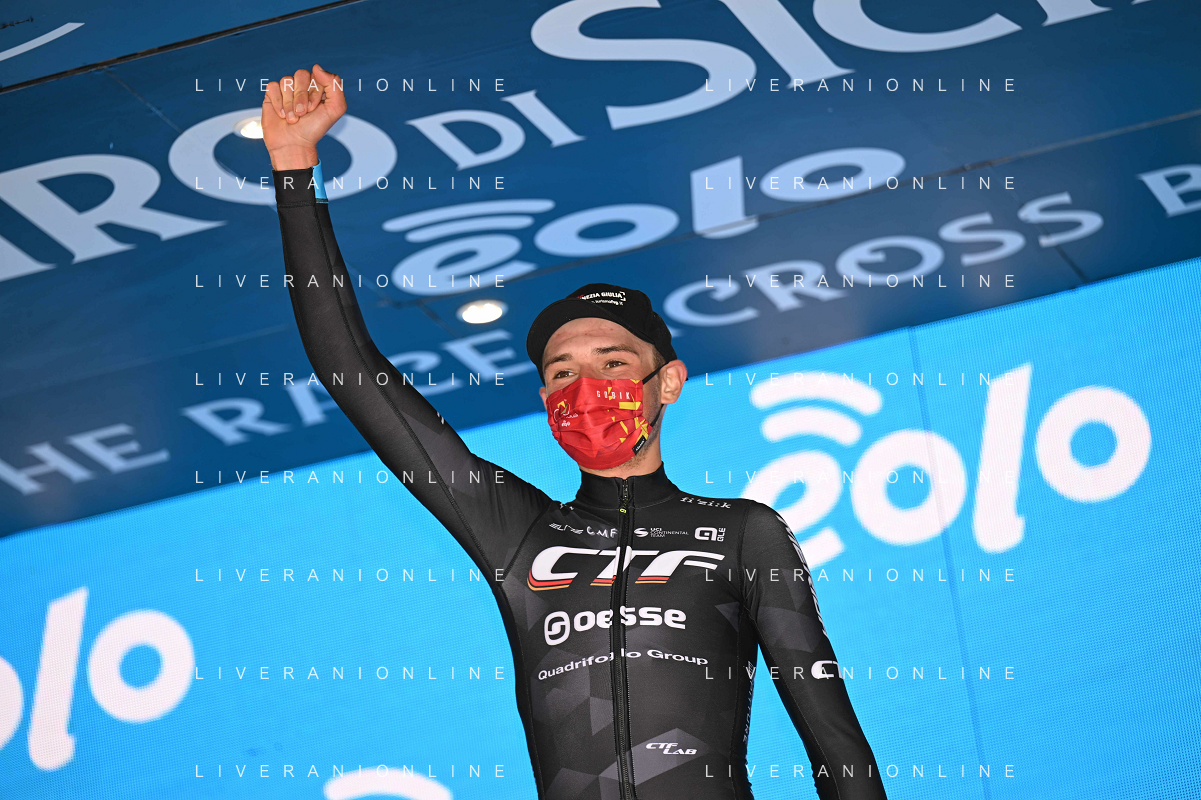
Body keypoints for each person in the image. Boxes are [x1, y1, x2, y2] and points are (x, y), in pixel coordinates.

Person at [262, 64, 887, 800]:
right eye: (562, 372)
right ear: (543, 397)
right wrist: (295, 168)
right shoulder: (518, 532)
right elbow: (350, 370)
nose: (585, 388)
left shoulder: (742, 532)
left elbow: (834, 739)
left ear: (668, 382)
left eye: (613, 362)